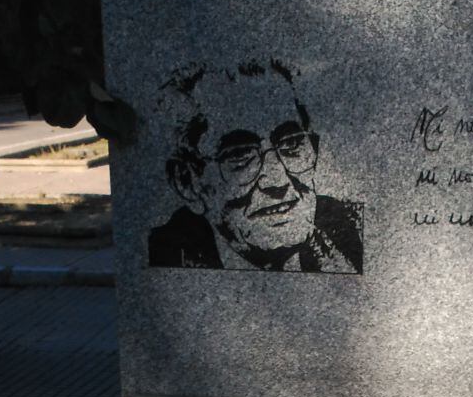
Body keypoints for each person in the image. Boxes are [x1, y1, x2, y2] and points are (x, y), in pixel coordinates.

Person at [148, 59, 363, 274]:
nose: (277, 180)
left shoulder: (354, 228)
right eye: (240, 155)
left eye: (291, 143)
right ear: (187, 182)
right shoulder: (164, 254)